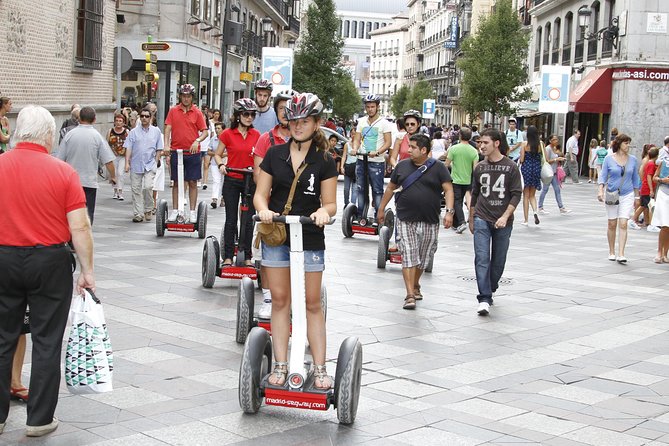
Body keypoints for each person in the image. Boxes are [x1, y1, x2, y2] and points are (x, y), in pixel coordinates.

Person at [0, 105, 95, 437]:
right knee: (46, 340)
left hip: (3, 259)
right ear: (49, 136)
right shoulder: (63, 172)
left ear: (16, 132)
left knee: (2, 338)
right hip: (49, 262)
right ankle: (39, 420)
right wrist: (87, 270)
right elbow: (80, 227)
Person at [254, 93, 337, 389]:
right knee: (280, 300)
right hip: (277, 234)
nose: (298, 126)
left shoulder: (325, 160)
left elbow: (331, 203)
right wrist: (263, 209)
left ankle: (320, 368)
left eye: (305, 121)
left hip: (310, 235)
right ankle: (279, 363)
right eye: (294, 121)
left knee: (312, 303)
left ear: (316, 123)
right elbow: (260, 193)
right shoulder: (276, 154)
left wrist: (322, 213)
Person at [377, 134, 454, 310]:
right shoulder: (402, 166)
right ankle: (409, 294)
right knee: (409, 254)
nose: (408, 150)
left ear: (424, 150)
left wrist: (449, 212)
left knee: (423, 257)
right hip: (405, 217)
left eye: (412, 147)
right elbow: (390, 188)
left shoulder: (439, 168)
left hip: (430, 219)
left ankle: (416, 283)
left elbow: (449, 190)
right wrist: (381, 208)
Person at [252, 89, 297, 319]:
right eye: (281, 108)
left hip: (299, 209)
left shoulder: (304, 140)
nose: (285, 113)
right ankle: (269, 298)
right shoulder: (266, 139)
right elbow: (258, 175)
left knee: (296, 255)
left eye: (289, 108)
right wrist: (266, 205)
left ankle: (294, 298)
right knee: (270, 256)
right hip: (271, 207)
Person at [469, 129, 522, 316]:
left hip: (503, 220)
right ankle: (484, 297)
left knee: (498, 260)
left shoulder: (511, 167)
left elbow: (516, 194)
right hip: (482, 217)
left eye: (485, 142)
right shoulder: (479, 167)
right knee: (482, 258)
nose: (481, 146)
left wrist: (505, 216)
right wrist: (471, 216)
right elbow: (474, 193)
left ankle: (490, 286)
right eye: (479, 143)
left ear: (497, 143)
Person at [214, 98, 260, 267]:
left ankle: (247, 256)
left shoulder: (257, 135)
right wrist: (221, 165)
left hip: (250, 180)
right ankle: (227, 257)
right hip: (232, 179)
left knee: (248, 220)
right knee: (231, 219)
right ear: (238, 116)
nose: (249, 117)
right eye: (246, 114)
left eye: (252, 115)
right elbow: (218, 153)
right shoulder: (227, 134)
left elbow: (261, 157)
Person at [57, 106, 116, 224]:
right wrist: (113, 176)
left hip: (71, 182)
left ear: (79, 119)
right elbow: (108, 161)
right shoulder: (97, 136)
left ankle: (70, 237)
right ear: (94, 119)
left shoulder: (69, 135)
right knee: (88, 213)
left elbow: (60, 160)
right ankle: (84, 235)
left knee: (70, 211)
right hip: (89, 182)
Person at [163, 84, 209, 222]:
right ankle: (176, 210)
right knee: (176, 182)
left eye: (188, 96)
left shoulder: (197, 112)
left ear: (192, 97)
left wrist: (197, 140)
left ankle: (193, 211)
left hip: (193, 152)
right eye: (184, 96)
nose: (186, 99)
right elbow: (167, 129)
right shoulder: (173, 111)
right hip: (177, 151)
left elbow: (205, 132)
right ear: (180, 96)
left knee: (193, 182)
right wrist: (166, 145)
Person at [597, 133, 641, 264]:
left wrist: (637, 196)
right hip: (612, 193)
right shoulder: (609, 159)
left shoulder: (633, 159)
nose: (628, 146)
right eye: (626, 143)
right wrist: (600, 190)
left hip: (627, 194)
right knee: (612, 223)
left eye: (629, 143)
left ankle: (621, 253)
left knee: (623, 223)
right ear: (619, 144)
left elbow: (635, 179)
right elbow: (603, 176)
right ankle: (611, 251)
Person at [352, 95, 393, 221]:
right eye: (368, 107)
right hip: (361, 160)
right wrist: (354, 148)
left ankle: (378, 216)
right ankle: (360, 215)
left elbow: (388, 142)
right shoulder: (361, 121)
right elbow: (357, 139)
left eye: (372, 107)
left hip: (376, 162)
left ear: (377, 107)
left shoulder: (384, 123)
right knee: (360, 189)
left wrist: (378, 152)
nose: (370, 109)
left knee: (377, 190)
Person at [124, 107, 164, 223]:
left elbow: (159, 148)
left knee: (147, 187)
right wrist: (127, 162)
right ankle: (138, 214)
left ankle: (148, 209)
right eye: (142, 116)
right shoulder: (133, 132)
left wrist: (156, 161)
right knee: (136, 189)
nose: (144, 118)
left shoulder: (156, 131)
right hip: (136, 164)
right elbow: (129, 148)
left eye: (147, 116)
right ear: (139, 118)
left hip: (150, 164)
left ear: (151, 118)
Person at [445, 127, 479, 234]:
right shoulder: (474, 151)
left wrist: (452, 165)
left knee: (457, 202)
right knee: (462, 199)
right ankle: (460, 222)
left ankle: (461, 222)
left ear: (460, 136)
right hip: (467, 180)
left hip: (455, 179)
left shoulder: (454, 149)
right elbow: (475, 168)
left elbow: (446, 164)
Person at [538, 135, 570, 215]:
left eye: (557, 139)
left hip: (554, 173)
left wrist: (560, 159)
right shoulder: (548, 149)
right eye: (554, 139)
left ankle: (561, 207)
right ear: (550, 141)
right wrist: (556, 159)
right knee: (545, 190)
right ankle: (540, 207)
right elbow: (546, 160)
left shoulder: (555, 148)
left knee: (557, 190)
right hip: (549, 173)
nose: (556, 141)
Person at [518, 125, 544, 225]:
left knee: (526, 195)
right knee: (532, 195)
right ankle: (535, 212)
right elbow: (544, 157)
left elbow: (522, 160)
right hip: (537, 169)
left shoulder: (524, 144)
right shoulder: (541, 144)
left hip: (527, 169)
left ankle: (526, 220)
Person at [632, 147, 659, 232]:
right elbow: (648, 176)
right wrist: (651, 189)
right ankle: (634, 220)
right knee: (647, 206)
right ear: (657, 155)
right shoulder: (651, 164)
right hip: (647, 188)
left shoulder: (650, 163)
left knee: (644, 206)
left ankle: (636, 220)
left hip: (646, 188)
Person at [651, 152, 669, 262]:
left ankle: (665, 253)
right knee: (665, 225)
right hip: (664, 194)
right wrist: (663, 180)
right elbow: (654, 177)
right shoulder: (664, 161)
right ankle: (659, 251)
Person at [107, 113, 129, 200]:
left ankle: (120, 191)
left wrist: (129, 159)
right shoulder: (110, 131)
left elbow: (129, 145)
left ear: (123, 122)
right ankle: (115, 190)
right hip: (113, 155)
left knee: (120, 173)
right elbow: (107, 143)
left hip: (123, 155)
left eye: (120, 121)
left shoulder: (126, 132)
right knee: (114, 173)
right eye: (117, 121)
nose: (118, 123)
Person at [208, 121, 225, 209]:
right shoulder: (213, 139)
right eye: (216, 128)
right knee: (216, 180)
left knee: (224, 181)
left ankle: (223, 197)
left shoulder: (227, 139)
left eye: (219, 128)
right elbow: (209, 151)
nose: (217, 130)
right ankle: (214, 199)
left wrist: (222, 155)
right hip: (215, 163)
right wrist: (216, 154)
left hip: (226, 163)